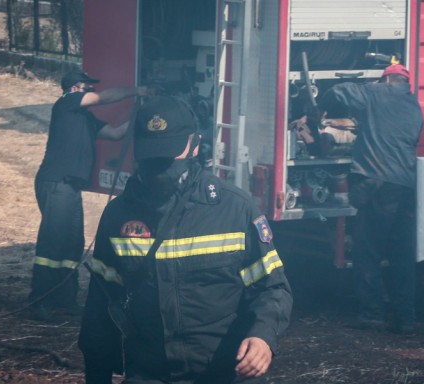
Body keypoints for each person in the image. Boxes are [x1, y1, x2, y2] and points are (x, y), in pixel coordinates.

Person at [79, 95, 293, 383]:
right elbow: (101, 306)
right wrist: (97, 374)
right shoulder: (117, 217)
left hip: (227, 373)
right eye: (151, 155)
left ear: (196, 145)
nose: (160, 165)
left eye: (169, 154)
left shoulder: (236, 209)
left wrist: (263, 336)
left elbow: (273, 288)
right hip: (151, 373)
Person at [29, 70, 151, 321]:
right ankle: (38, 301)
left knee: (72, 242)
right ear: (75, 87)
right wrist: (137, 91)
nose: (90, 90)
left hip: (71, 187)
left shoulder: (85, 119)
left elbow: (117, 133)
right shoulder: (66, 103)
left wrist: (143, 115)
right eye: (87, 86)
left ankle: (64, 299)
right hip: (56, 182)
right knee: (52, 243)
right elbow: (103, 98)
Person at [316, 64, 424, 333]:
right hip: (407, 187)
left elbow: (339, 91)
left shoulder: (376, 93)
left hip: (377, 185)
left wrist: (319, 105)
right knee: (401, 256)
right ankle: (405, 319)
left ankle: (372, 314)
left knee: (368, 251)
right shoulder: (415, 107)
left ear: (385, 79)